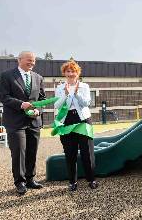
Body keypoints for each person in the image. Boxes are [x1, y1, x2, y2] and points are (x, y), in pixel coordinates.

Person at [0, 51, 46, 195]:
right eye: (29, 60)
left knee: (32, 151)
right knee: (18, 152)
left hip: (34, 122)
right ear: (19, 60)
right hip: (15, 122)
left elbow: (42, 99)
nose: (32, 63)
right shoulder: (7, 76)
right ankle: (20, 182)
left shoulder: (38, 77)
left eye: (34, 61)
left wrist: (39, 110)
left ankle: (30, 179)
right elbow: (2, 96)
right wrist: (21, 104)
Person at [53, 60, 98, 191]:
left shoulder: (84, 86)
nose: (71, 73)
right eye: (68, 71)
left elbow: (86, 103)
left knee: (87, 152)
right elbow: (57, 105)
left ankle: (92, 179)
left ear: (77, 73)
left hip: (83, 119)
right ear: (64, 73)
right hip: (66, 120)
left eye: (73, 71)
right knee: (70, 152)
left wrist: (76, 94)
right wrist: (66, 94)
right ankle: (72, 181)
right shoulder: (60, 88)